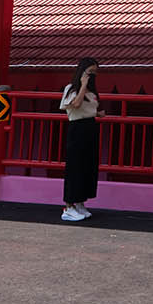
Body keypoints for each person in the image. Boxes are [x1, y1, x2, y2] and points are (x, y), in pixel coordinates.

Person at [59, 57, 101, 222]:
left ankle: (80, 202)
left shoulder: (92, 92)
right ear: (82, 72)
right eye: (90, 72)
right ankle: (69, 207)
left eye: (95, 72)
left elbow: (88, 110)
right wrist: (83, 84)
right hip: (77, 129)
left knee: (88, 167)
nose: (92, 76)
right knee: (75, 167)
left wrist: (97, 113)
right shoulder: (71, 89)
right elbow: (75, 105)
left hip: (90, 128)